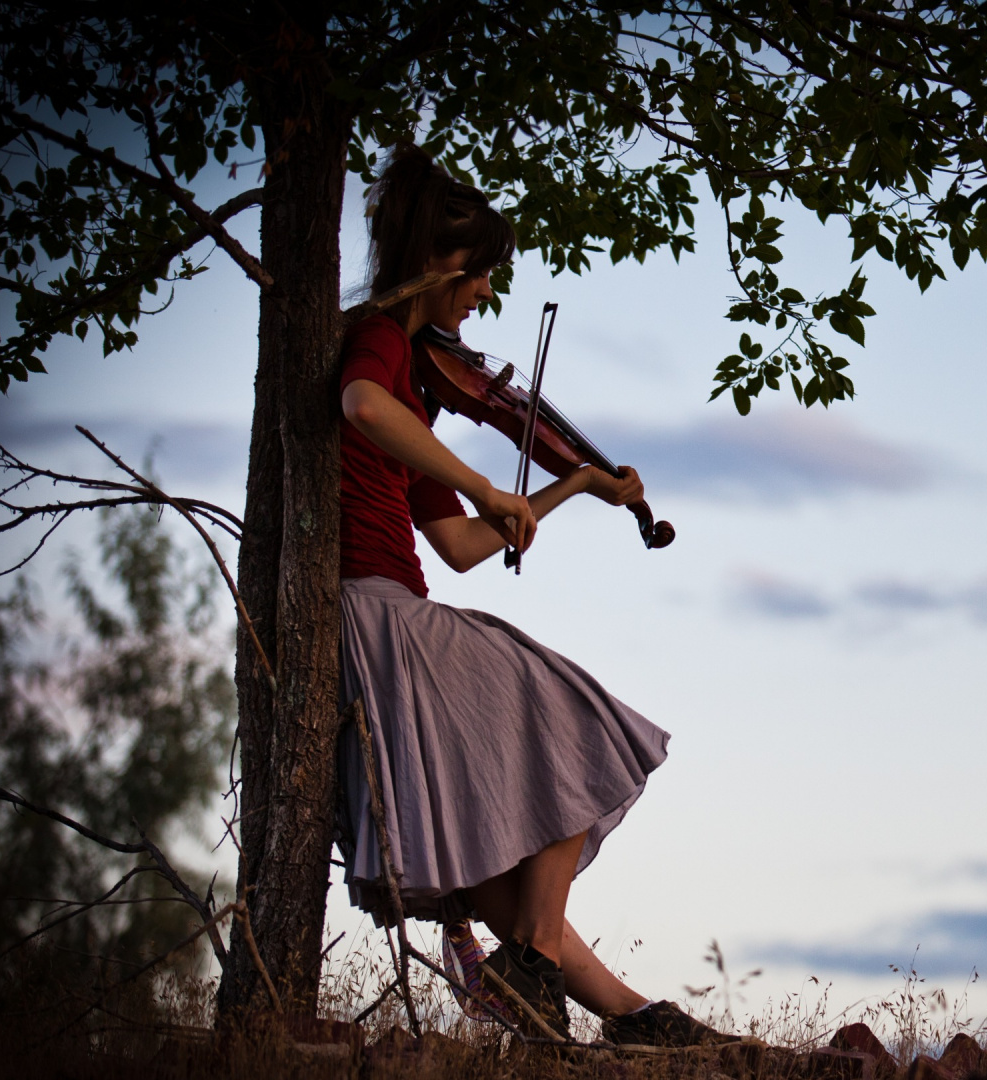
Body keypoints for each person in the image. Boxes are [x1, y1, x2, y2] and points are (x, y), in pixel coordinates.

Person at [334, 143, 722, 1047]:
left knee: (508, 883)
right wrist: (491, 481)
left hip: (400, 607)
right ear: (441, 265)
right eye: (478, 281)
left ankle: (624, 1014)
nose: (481, 301)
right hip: (376, 612)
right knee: (577, 720)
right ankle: (537, 962)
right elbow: (360, 406)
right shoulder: (380, 341)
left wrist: (570, 487)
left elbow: (467, 546)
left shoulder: (416, 403)